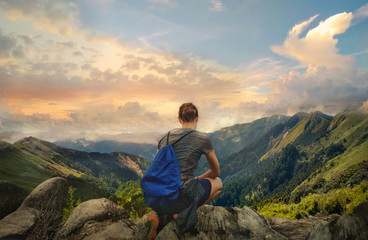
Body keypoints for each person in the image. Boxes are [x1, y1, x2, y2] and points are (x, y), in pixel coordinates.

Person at [146, 102, 222, 238]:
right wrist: (198, 178)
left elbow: (159, 169)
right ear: (197, 117)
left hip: (159, 195)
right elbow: (216, 173)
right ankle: (183, 212)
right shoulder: (203, 139)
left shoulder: (165, 138)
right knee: (219, 183)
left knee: (177, 190)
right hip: (182, 194)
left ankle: (164, 214)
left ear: (179, 119)